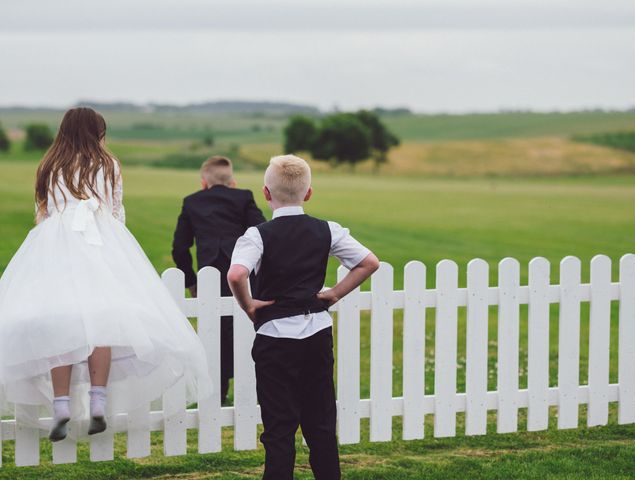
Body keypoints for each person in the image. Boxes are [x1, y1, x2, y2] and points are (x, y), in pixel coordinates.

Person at [0, 107, 212, 442]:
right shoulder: (108, 163)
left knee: (59, 325)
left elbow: (41, 214)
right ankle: (98, 401)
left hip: (58, 248)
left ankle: (61, 406)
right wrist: (115, 249)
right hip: (101, 243)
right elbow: (116, 211)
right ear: (97, 132)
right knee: (105, 322)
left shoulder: (49, 165)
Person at [227, 154, 380, 480]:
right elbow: (369, 262)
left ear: (266, 194)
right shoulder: (328, 230)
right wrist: (335, 293)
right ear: (308, 193)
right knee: (321, 424)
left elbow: (237, 274)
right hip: (317, 336)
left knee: (279, 429)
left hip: (275, 339)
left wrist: (249, 306)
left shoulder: (258, 235)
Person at [172, 156, 265, 404]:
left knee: (216, 334)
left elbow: (179, 248)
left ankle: (220, 391)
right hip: (243, 274)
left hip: (209, 275)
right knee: (250, 329)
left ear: (204, 182)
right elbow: (263, 232)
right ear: (232, 182)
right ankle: (255, 388)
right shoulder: (244, 197)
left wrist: (191, 282)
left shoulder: (192, 202)